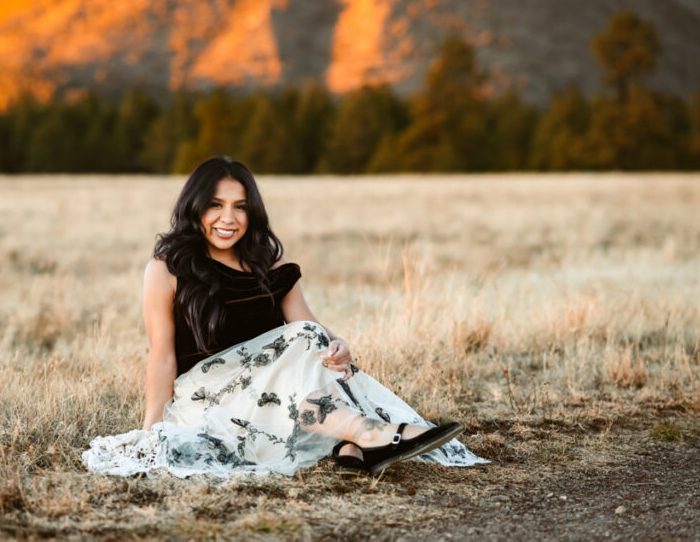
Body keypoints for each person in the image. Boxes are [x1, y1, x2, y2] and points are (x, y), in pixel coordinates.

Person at [83, 157, 487, 477]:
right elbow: (162, 357)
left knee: (311, 340)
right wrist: (152, 430)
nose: (229, 219)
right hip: (208, 401)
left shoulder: (269, 265)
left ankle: (352, 440)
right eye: (215, 205)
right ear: (195, 207)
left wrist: (338, 345)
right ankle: (364, 435)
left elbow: (309, 328)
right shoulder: (168, 268)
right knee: (305, 343)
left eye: (240, 207)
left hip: (274, 397)